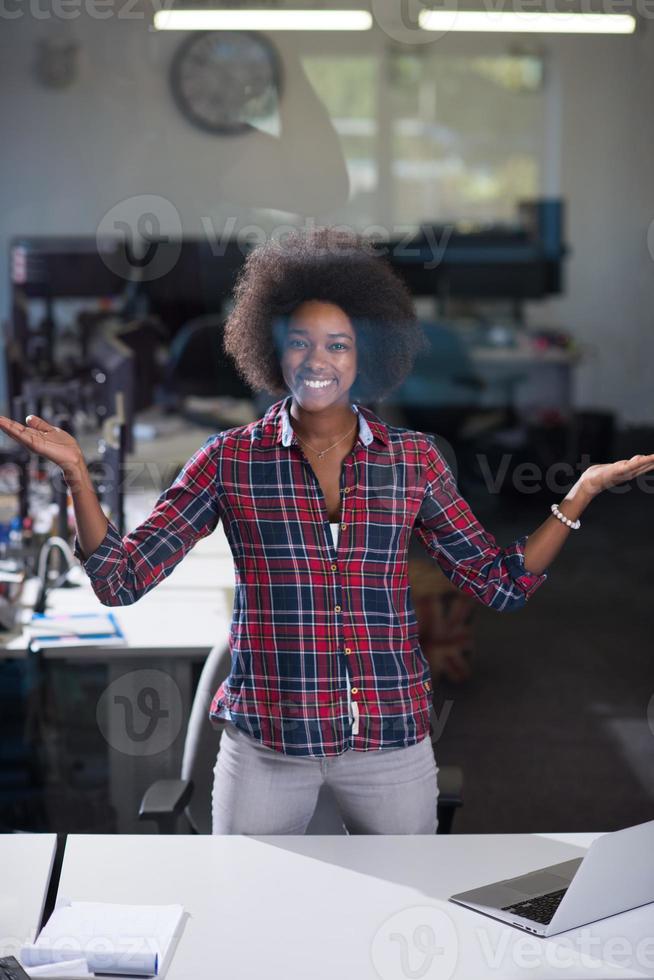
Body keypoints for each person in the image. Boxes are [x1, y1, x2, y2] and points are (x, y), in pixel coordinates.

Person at [2, 227, 653, 836]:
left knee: (401, 927)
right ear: (271, 348)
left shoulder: (413, 460)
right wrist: (79, 480)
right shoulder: (229, 459)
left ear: (364, 354)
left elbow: (501, 584)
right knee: (250, 923)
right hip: (267, 748)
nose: (319, 360)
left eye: (338, 344)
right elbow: (121, 579)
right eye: (300, 342)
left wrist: (579, 494)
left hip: (390, 744)